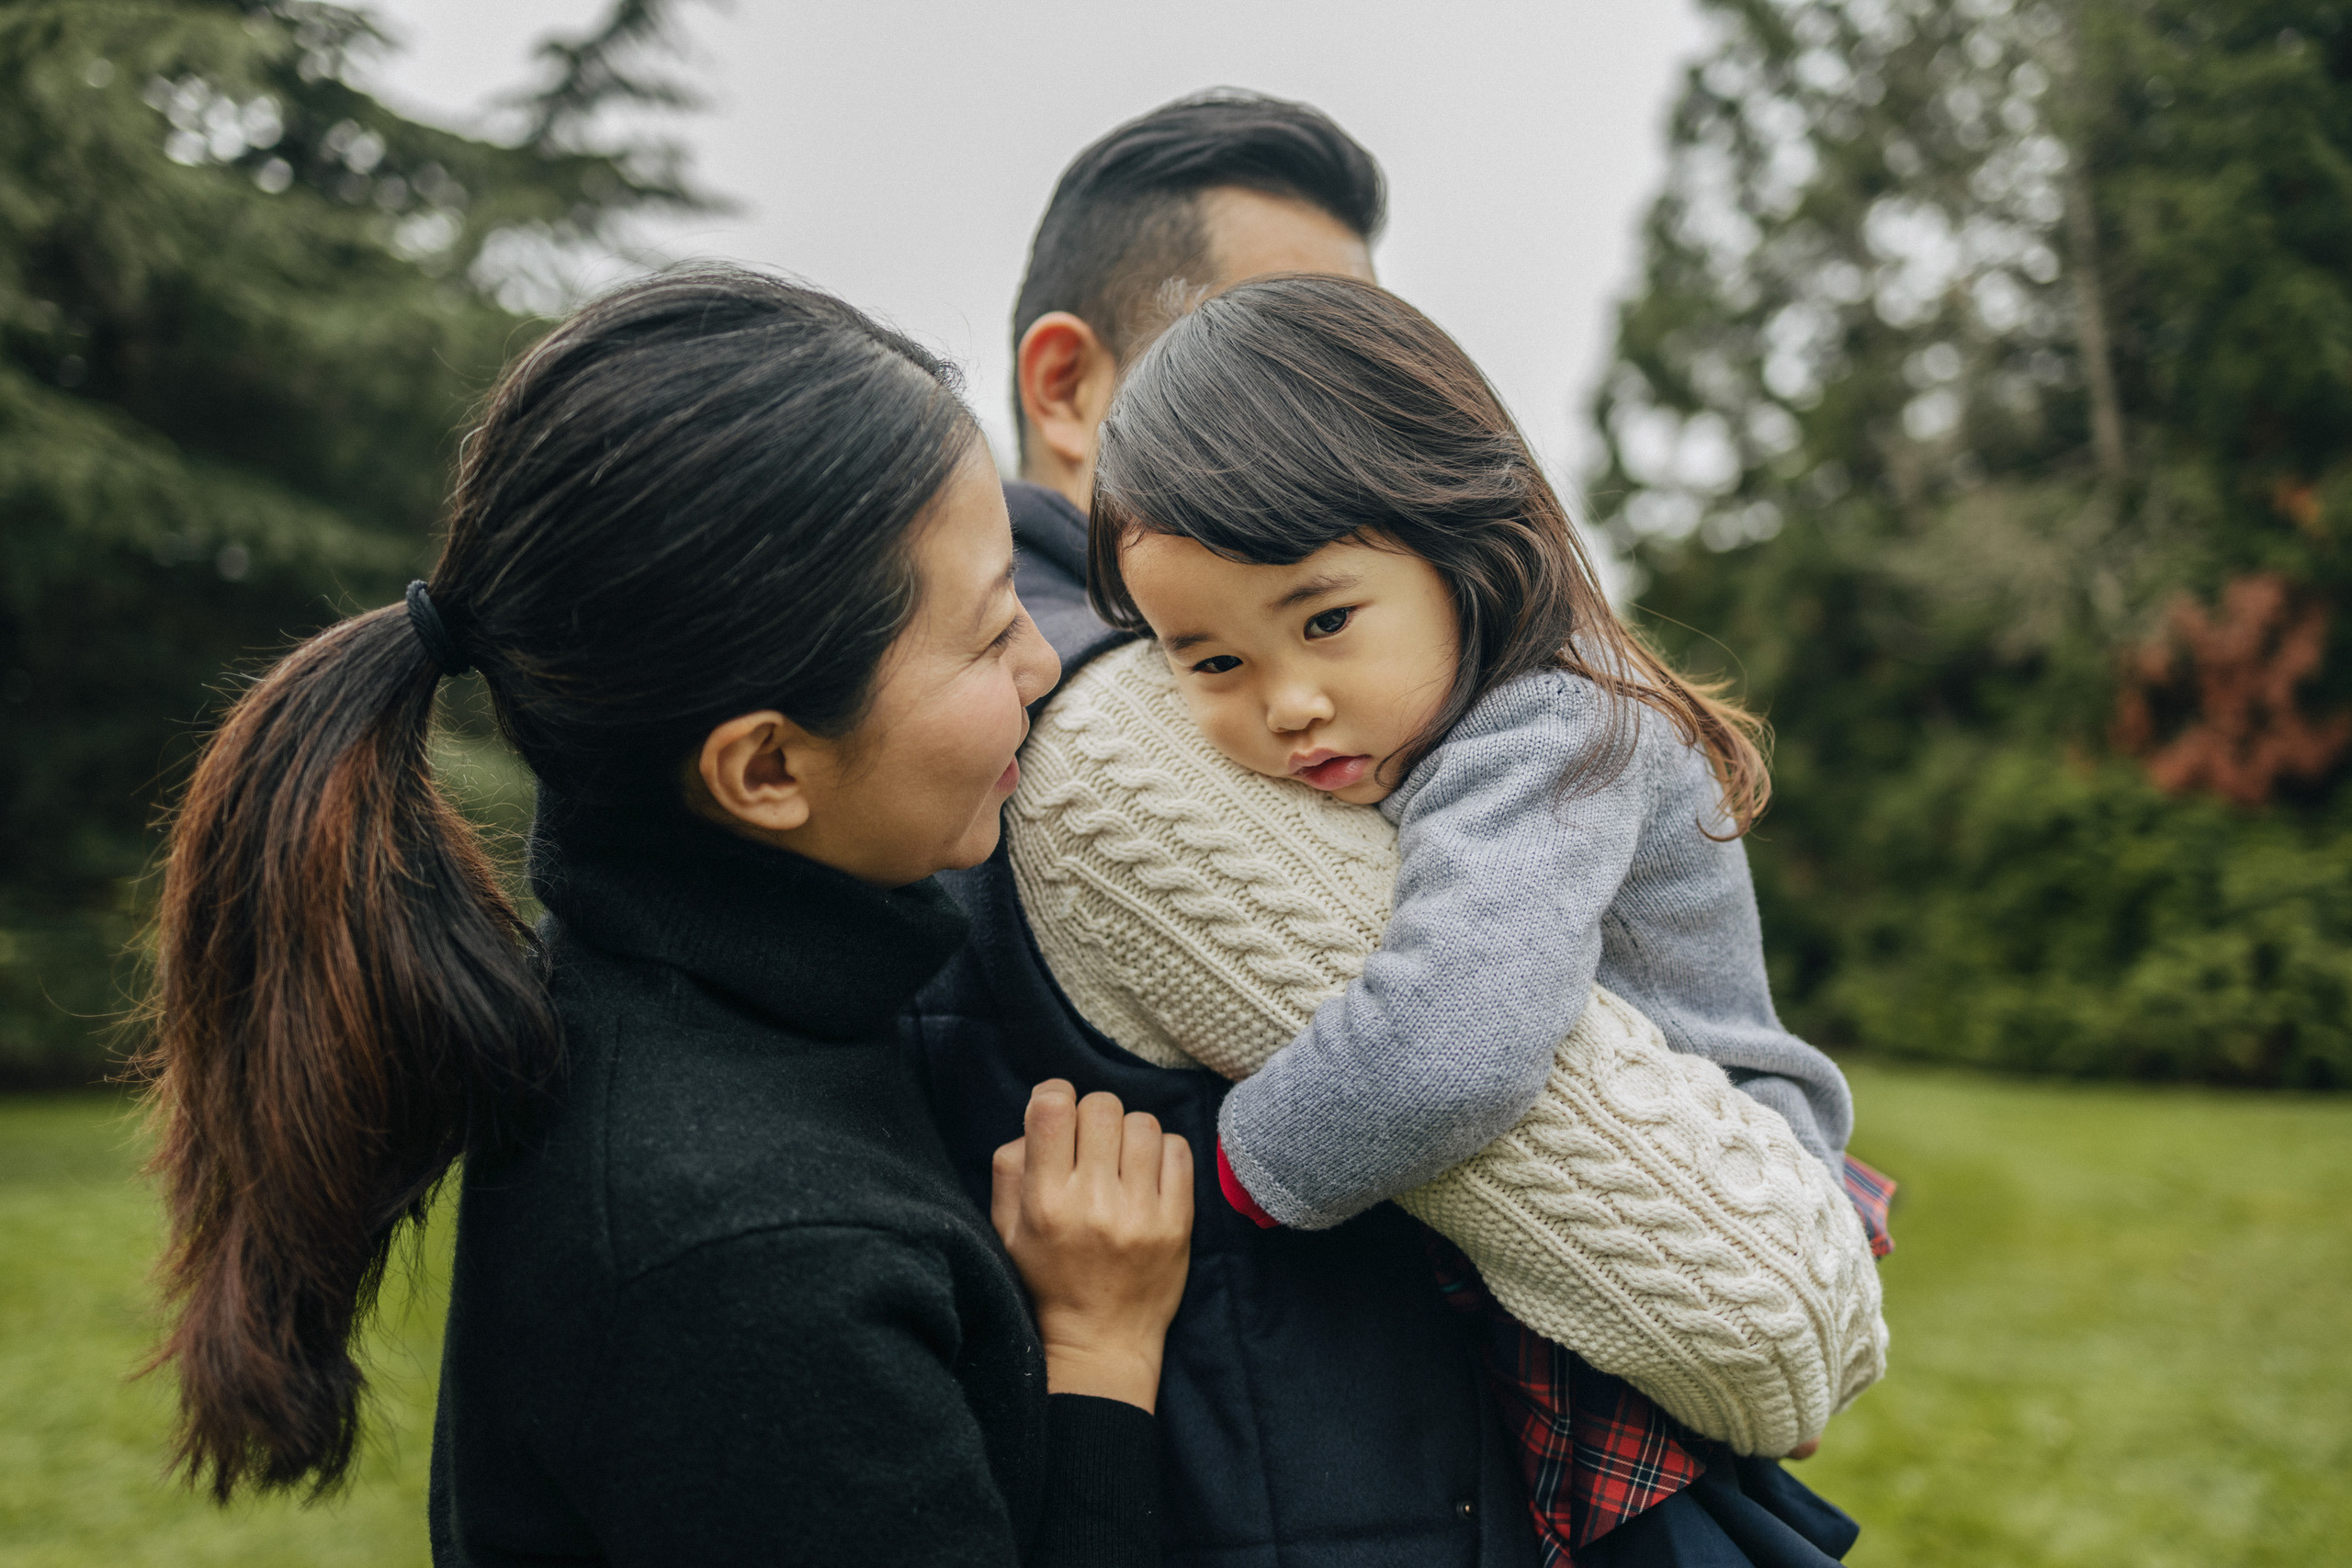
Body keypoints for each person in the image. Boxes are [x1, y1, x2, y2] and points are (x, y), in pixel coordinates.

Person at [910, 92, 1883, 1567]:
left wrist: (1249, 1155)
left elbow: (1465, 1036)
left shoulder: (1529, 723)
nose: (1285, 704)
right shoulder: (1122, 728)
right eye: (1218, 661)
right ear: (1069, 387)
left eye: (1347, 363)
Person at [137, 267, 1192, 1566]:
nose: (1044, 665)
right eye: (985, 638)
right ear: (763, 772)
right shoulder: (746, 1251)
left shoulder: (704, 1011)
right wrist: (1097, 1355)